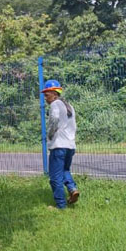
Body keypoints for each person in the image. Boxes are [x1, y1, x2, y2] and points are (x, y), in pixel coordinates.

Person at [42, 80, 80, 209]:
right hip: (70, 145)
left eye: (47, 95)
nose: (45, 98)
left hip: (58, 145)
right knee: (65, 170)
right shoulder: (69, 105)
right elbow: (74, 125)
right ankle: (72, 189)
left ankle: (61, 205)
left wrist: (50, 134)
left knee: (54, 177)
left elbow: (54, 119)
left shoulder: (55, 104)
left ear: (54, 93)